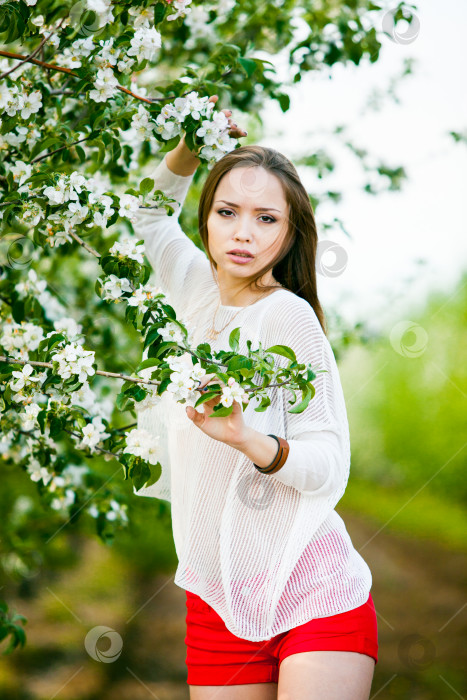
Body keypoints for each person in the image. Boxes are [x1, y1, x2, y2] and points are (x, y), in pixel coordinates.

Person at [132, 95, 378, 700]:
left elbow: (329, 464)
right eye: (227, 211)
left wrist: (250, 439)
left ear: (290, 231)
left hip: (312, 589)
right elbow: (145, 212)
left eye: (266, 218)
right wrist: (192, 145)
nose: (243, 232)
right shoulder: (192, 289)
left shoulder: (287, 318)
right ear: (207, 218)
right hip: (217, 597)